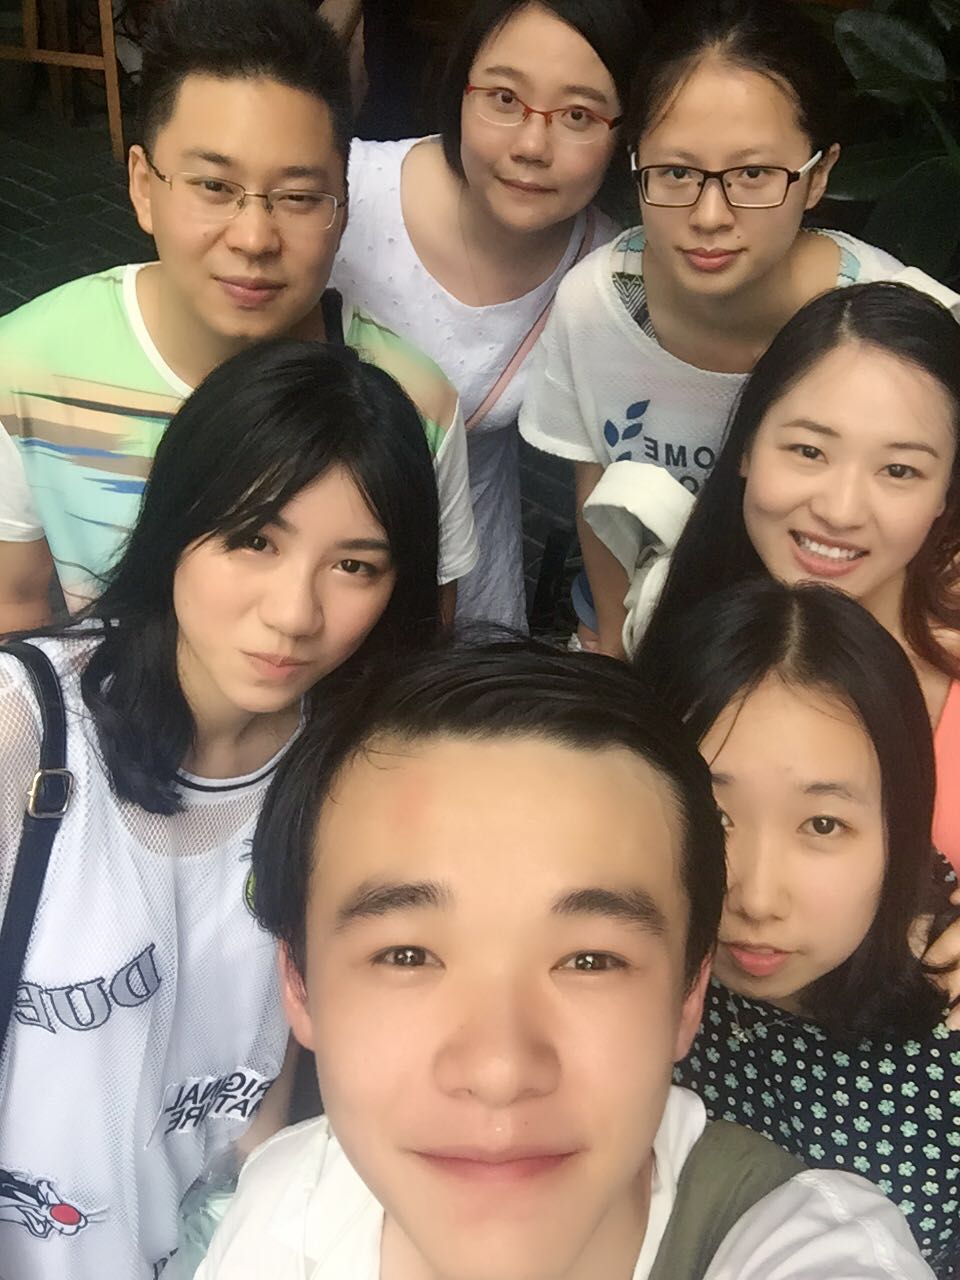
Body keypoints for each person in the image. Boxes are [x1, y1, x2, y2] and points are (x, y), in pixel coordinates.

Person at [190, 642, 932, 1279]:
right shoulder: (282, 1203)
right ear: (299, 984)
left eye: (590, 960)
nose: (500, 1071)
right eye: (407, 955)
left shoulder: (803, 1246)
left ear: (689, 992)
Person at [0, 340, 441, 1280]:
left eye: (354, 565)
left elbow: (265, 1082)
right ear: (177, 522)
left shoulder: (354, 769)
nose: (294, 613)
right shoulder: (23, 733)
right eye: (254, 540)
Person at [0, 0, 476, 635]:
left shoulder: (414, 402)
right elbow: (14, 604)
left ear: (344, 205)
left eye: (299, 196)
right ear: (143, 185)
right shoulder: (27, 368)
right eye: (214, 187)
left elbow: (421, 637)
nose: (254, 239)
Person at [518, 0, 960, 658]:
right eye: (676, 172)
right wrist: (616, 654)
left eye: (753, 174)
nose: (709, 216)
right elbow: (601, 502)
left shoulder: (906, 328)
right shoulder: (596, 306)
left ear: (819, 176)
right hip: (647, 622)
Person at [636, 579, 960, 1277]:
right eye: (714, 817)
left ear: (899, 830)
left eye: (823, 824)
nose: (756, 898)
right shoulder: (609, 970)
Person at [329, 0, 647, 629]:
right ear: (459, 90)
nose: (532, 146)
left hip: (473, 577)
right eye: (504, 99)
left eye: (578, 115)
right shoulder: (343, 193)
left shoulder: (611, 273)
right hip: (313, 564)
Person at [641, 281, 960, 872]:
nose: (840, 511)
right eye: (809, 451)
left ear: (945, 494)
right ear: (746, 447)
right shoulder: (675, 626)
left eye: (898, 470)